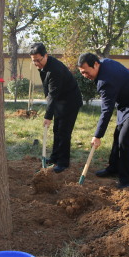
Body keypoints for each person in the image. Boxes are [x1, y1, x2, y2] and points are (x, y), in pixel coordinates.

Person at [77, 53, 129, 189]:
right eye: (82, 73)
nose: (84, 75)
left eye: (86, 72)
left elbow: (106, 110)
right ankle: (114, 168)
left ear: (96, 64)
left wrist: (97, 136)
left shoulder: (106, 81)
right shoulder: (104, 63)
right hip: (126, 104)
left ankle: (127, 180)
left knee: (125, 141)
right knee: (118, 135)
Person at [30, 43, 83, 173]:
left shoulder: (55, 69)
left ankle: (63, 162)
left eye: (38, 60)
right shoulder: (43, 65)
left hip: (70, 102)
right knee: (56, 130)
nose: (36, 63)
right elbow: (48, 89)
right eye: (34, 61)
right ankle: (54, 158)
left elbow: (53, 94)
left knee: (64, 132)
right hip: (60, 100)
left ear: (46, 55)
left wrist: (48, 116)